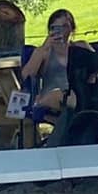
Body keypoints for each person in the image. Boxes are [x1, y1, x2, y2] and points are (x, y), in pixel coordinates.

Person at [19, 8, 85, 136]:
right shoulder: (44, 52)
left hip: (79, 92)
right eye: (55, 28)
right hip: (52, 95)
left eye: (65, 26)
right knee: (67, 97)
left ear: (72, 29)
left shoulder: (80, 47)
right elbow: (26, 76)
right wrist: (44, 48)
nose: (60, 32)